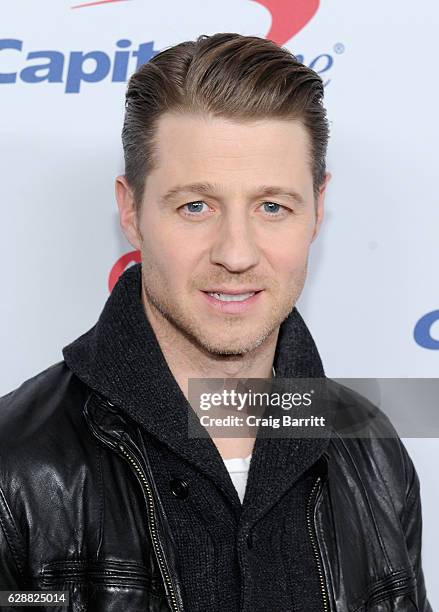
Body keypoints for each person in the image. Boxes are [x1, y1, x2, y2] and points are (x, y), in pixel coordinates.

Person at [0, 33, 432, 612]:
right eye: (195, 206)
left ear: (318, 209)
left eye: (272, 206)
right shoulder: (14, 467)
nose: (235, 253)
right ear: (132, 211)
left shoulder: (371, 448)